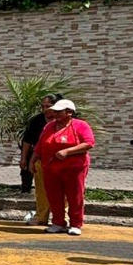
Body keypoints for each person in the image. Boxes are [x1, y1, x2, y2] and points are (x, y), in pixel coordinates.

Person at [29, 100, 95, 236]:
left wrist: (68, 151)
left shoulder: (81, 125)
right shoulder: (49, 126)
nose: (56, 114)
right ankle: (58, 223)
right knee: (54, 196)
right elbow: (40, 145)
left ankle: (76, 223)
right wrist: (32, 160)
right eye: (55, 111)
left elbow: (88, 143)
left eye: (59, 111)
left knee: (74, 196)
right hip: (51, 168)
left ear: (69, 112)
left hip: (74, 168)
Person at [20, 93, 63, 225]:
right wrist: (25, 159)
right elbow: (28, 142)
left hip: (62, 162)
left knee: (63, 191)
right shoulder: (37, 121)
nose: (45, 109)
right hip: (41, 160)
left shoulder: (68, 122)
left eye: (48, 106)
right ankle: (42, 217)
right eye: (43, 106)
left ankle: (62, 219)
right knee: (41, 190)